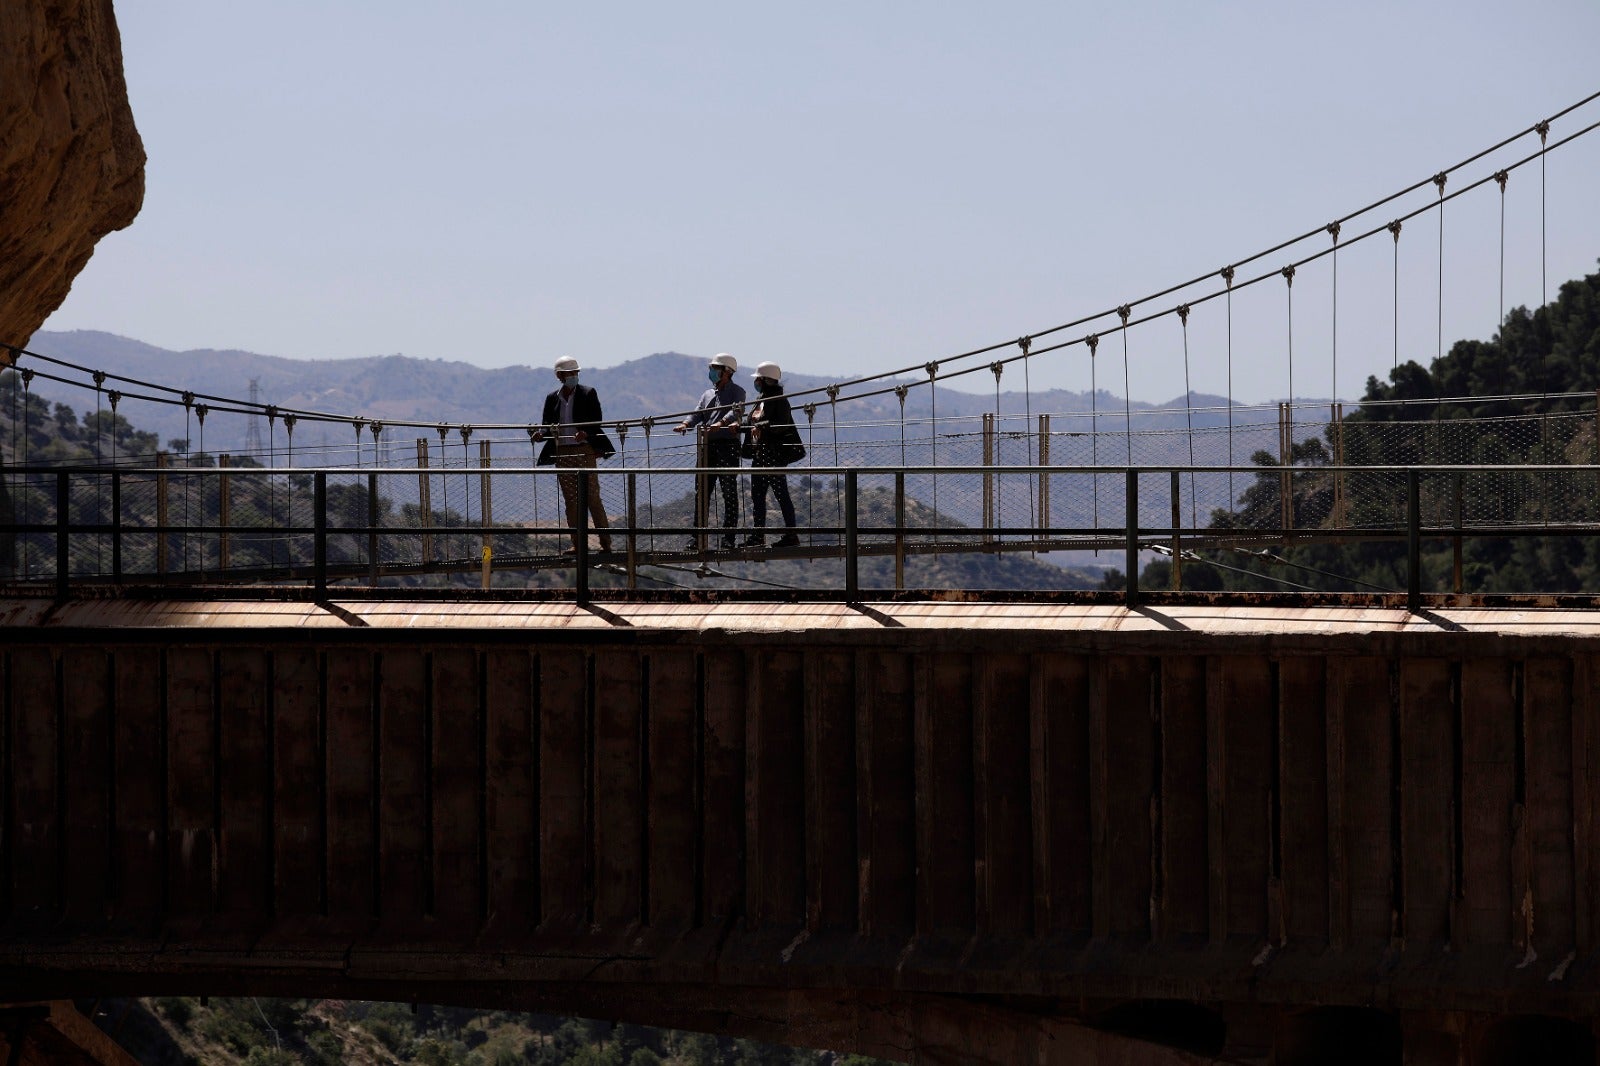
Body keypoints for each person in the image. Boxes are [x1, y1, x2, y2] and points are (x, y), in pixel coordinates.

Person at [532, 356, 615, 554]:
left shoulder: (588, 393)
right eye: (570, 373)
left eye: (575, 373)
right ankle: (578, 545)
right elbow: (547, 424)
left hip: (584, 450)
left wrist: (585, 432)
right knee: (571, 501)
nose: (573, 376)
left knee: (592, 498)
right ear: (560, 376)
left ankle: (605, 544)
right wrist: (540, 434)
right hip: (562, 452)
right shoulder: (553, 398)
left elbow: (596, 420)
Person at [674, 352, 745, 549]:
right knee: (702, 492)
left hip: (727, 447)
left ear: (727, 372)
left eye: (715, 369)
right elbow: (698, 412)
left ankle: (728, 538)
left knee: (729, 492)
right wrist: (686, 424)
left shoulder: (738, 392)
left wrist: (722, 422)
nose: (711, 372)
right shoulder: (707, 394)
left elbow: (737, 410)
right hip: (707, 448)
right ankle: (698, 537)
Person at [743, 361, 802, 548]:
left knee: (781, 495)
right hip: (759, 456)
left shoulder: (780, 401)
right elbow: (751, 422)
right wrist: (741, 426)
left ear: (766, 380)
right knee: (757, 496)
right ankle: (758, 536)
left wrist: (760, 427)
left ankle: (791, 535)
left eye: (759, 379)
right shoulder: (761, 400)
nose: (757, 382)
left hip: (774, 456)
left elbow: (781, 424)